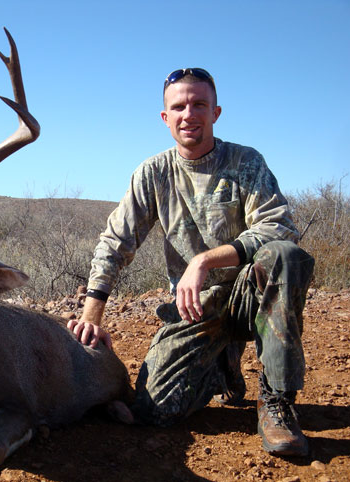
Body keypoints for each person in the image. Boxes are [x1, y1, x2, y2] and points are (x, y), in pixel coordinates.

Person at [67, 68, 314, 457]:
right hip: (196, 307)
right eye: (179, 106)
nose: (189, 114)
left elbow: (279, 228)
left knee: (285, 256)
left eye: (200, 104)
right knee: (152, 409)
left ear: (216, 112)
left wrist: (203, 260)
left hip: (251, 295)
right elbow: (115, 242)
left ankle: (277, 403)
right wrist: (92, 315)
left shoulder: (245, 162)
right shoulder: (153, 173)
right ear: (165, 118)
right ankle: (220, 365)